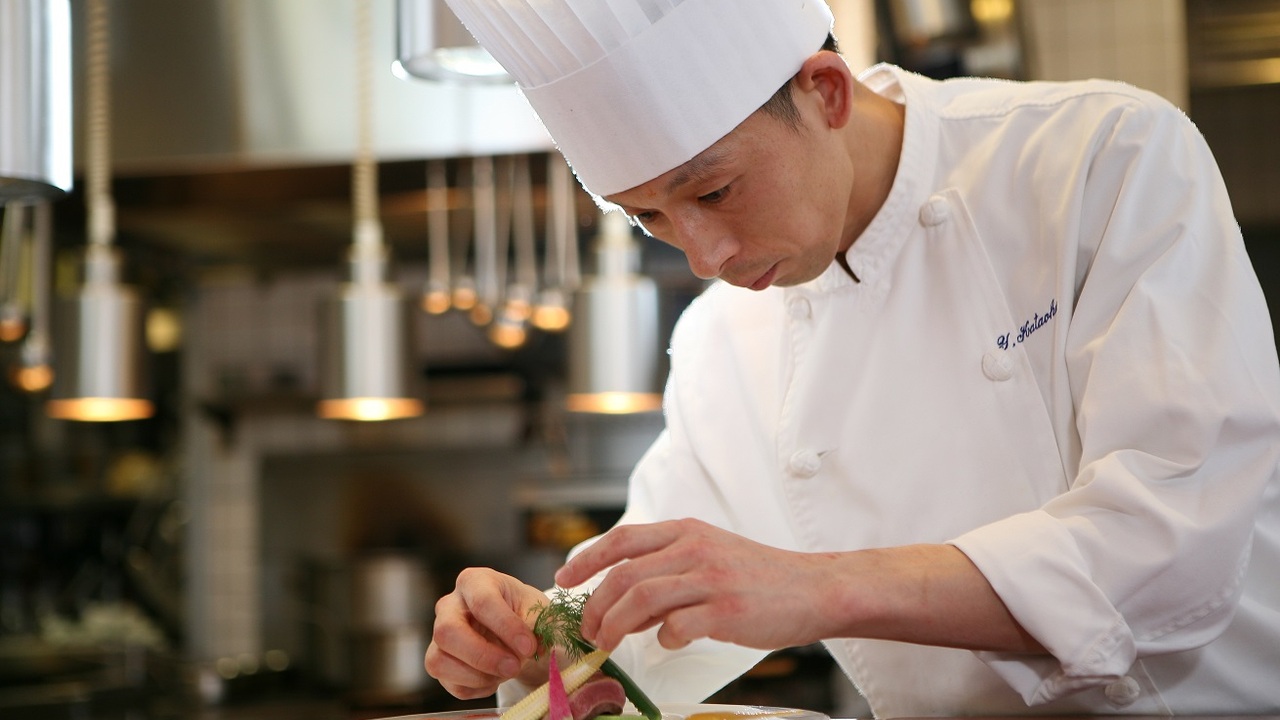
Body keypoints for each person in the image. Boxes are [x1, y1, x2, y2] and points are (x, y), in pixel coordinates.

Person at [424, 0, 1280, 716]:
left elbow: (1175, 540)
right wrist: (538, 640)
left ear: (825, 90)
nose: (703, 257)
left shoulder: (1103, 159)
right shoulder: (727, 339)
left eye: (713, 191)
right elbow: (657, 608)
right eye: (647, 217)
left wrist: (819, 587)